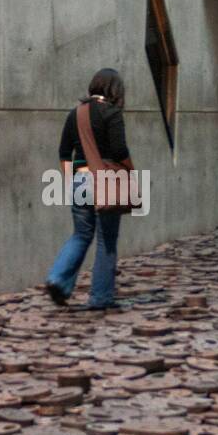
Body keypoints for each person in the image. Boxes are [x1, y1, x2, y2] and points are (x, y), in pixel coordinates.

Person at [44, 68, 130, 311]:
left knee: (81, 234)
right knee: (107, 241)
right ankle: (101, 297)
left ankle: (57, 278)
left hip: (80, 180)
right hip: (104, 181)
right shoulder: (112, 113)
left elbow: (64, 152)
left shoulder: (75, 114)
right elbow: (120, 150)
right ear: (115, 90)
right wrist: (130, 171)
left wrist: (72, 180)